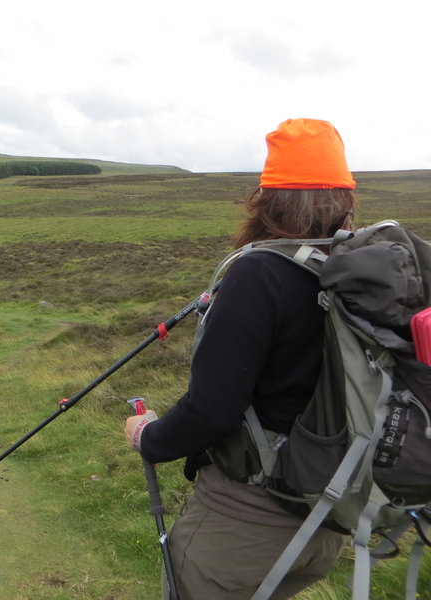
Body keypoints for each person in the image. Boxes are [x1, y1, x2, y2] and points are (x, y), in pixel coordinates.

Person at [124, 118, 357, 599]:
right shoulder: (355, 272)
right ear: (345, 197)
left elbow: (212, 409)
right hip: (328, 522)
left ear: (267, 197)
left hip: (248, 522)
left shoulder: (259, 273)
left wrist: (149, 437)